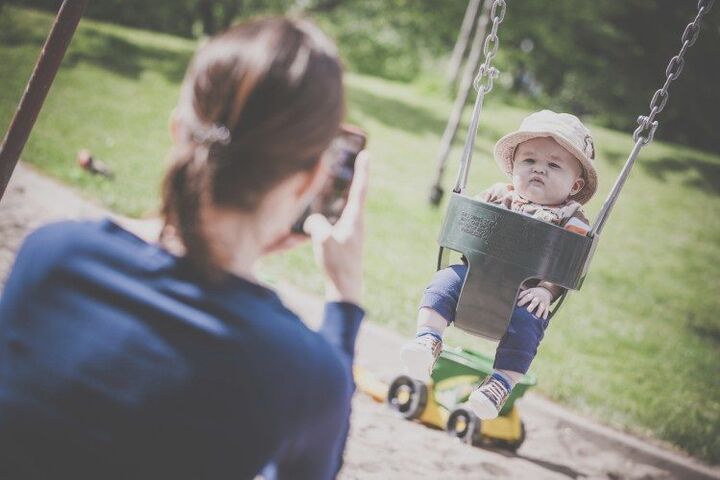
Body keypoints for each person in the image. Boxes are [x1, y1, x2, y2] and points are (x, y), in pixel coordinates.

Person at [0, 17, 369, 480]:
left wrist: (240, 256)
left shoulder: (54, 255)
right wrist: (345, 298)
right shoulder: (302, 372)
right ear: (310, 180)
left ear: (178, 130)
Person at [401, 110, 598, 420]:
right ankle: (428, 339)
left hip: (525, 294)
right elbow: (469, 221)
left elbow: (569, 260)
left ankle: (500, 383)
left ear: (575, 186)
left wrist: (547, 291)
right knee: (443, 282)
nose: (539, 170)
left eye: (554, 165)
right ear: (512, 168)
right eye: (529, 161)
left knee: (530, 322)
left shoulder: (571, 218)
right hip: (475, 277)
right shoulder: (498, 194)